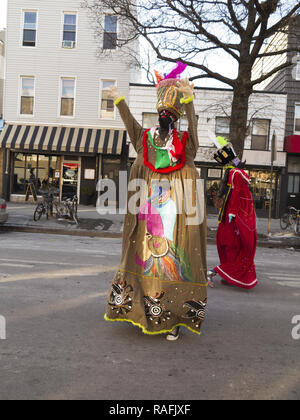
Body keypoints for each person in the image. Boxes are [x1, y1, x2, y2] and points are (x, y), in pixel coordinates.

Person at [104, 63, 207, 341]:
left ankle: (172, 317)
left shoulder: (184, 145)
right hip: (147, 216)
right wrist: (119, 100)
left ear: (175, 119)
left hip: (172, 219)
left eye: (170, 115)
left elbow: (195, 136)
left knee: (168, 266)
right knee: (146, 264)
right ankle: (143, 311)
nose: (164, 118)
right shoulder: (145, 140)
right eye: (162, 113)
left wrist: (189, 102)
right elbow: (130, 125)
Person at [207, 136, 258, 289]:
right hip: (237, 217)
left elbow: (232, 191)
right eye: (235, 159)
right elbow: (235, 193)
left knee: (233, 247)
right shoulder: (236, 173)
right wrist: (234, 213)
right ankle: (213, 272)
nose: (238, 161)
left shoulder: (233, 173)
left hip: (235, 216)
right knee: (239, 247)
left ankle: (227, 275)